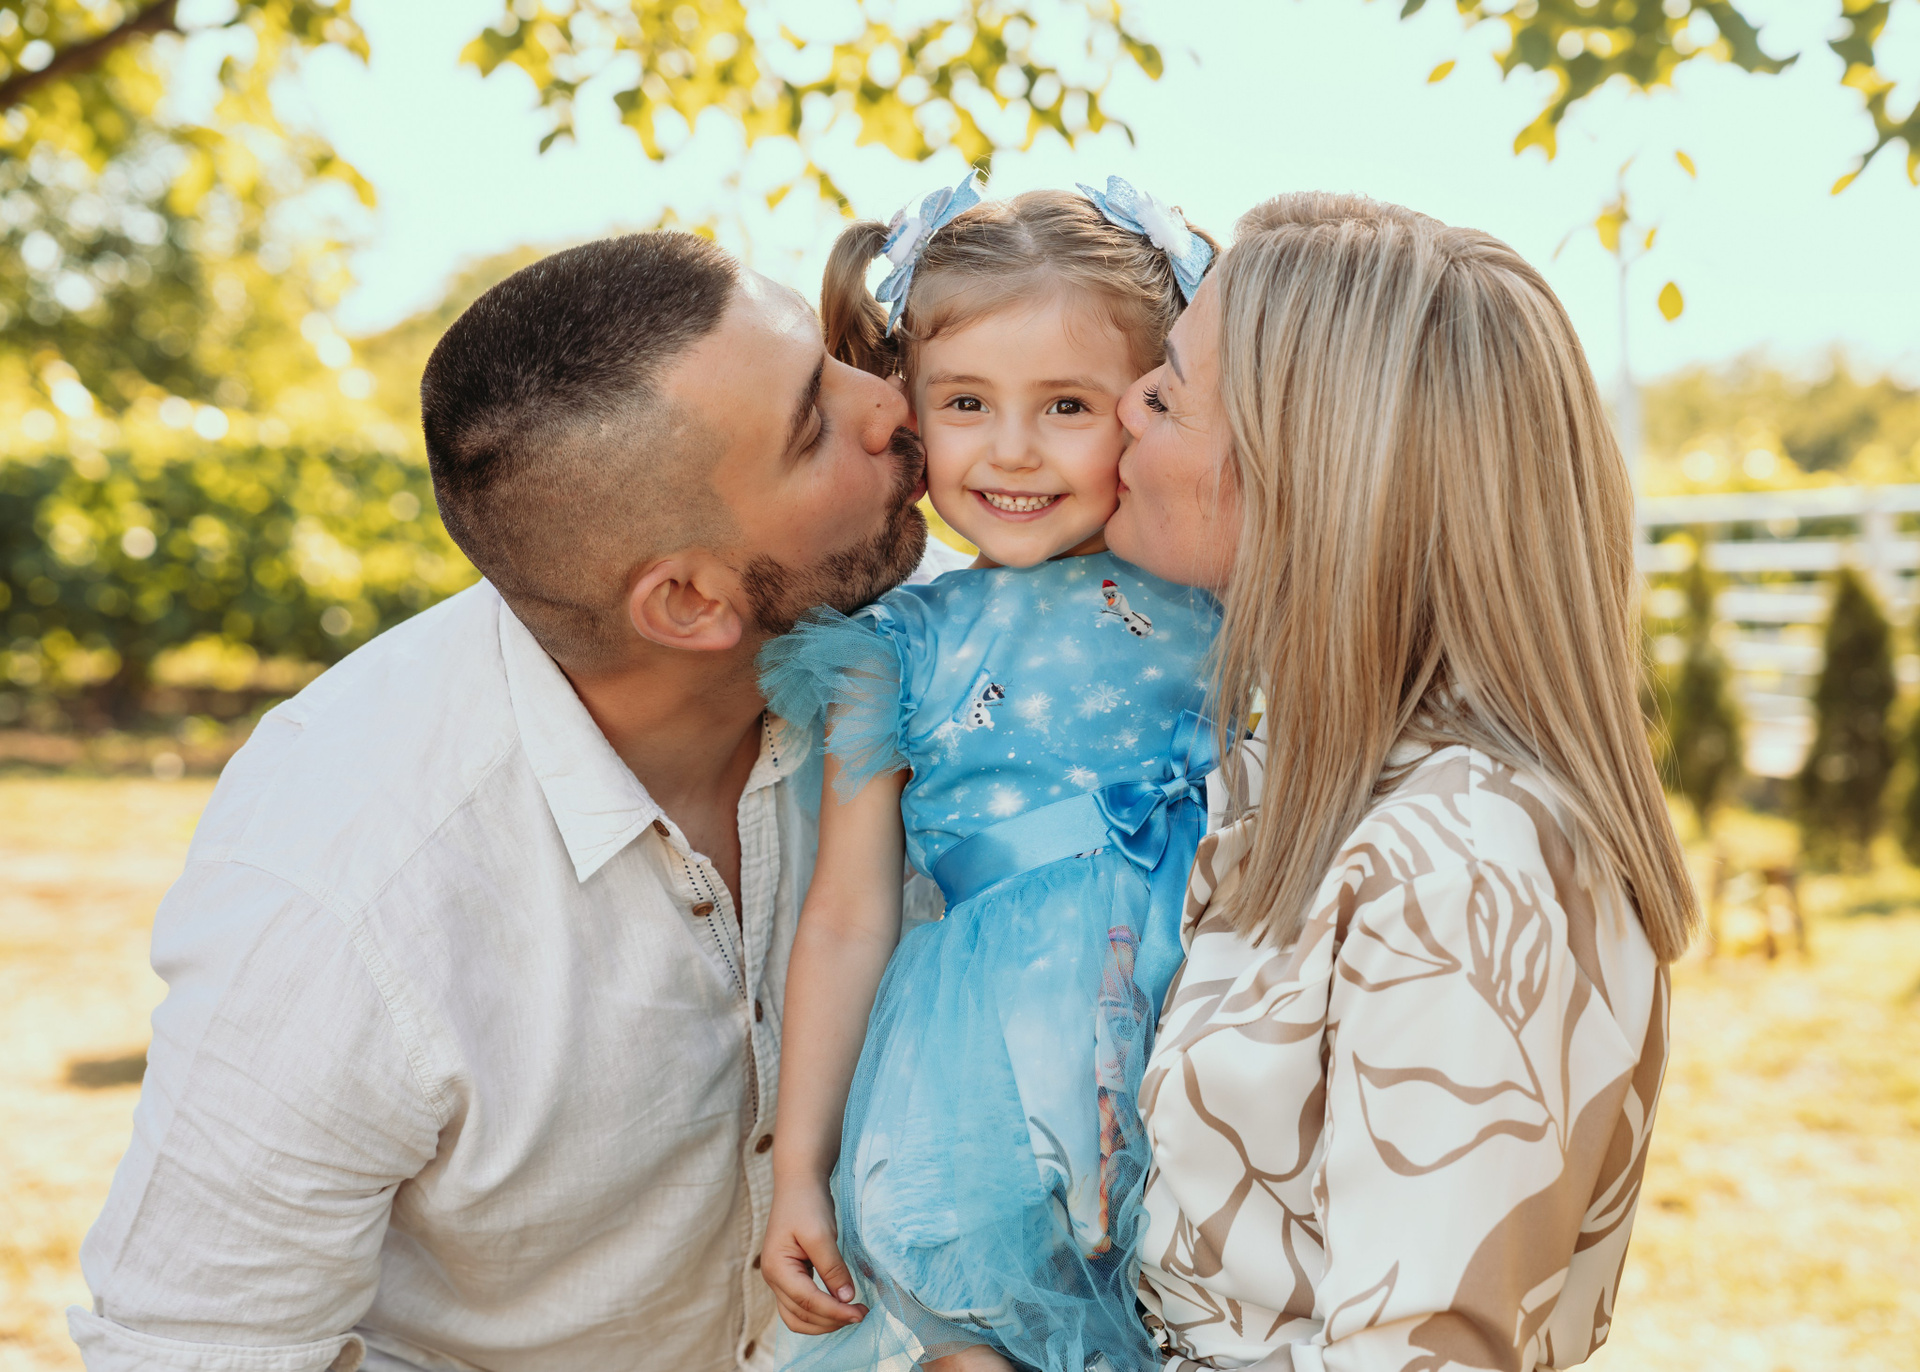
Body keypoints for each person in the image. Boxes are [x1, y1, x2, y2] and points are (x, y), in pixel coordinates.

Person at [68, 232, 929, 1372]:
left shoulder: (936, 666)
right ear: (686, 602)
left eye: (827, 360)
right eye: (813, 423)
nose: (892, 401)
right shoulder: (342, 890)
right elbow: (192, 1351)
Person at [1102, 192, 1692, 1371]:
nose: (1123, 401)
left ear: (1303, 477)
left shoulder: (1462, 871)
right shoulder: (1319, 779)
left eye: (1166, 393)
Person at [755, 175, 1221, 1372]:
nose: (1012, 449)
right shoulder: (899, 648)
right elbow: (848, 916)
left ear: (1153, 403)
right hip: (988, 1092)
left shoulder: (1227, 595)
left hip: (1209, 1050)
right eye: (967, 402)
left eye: (1068, 404)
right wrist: (800, 1166)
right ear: (911, 409)